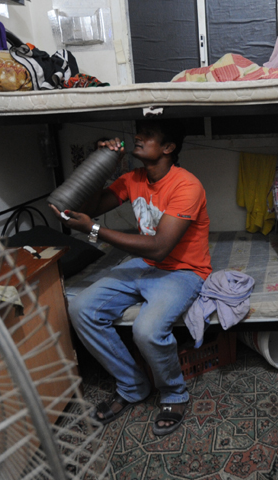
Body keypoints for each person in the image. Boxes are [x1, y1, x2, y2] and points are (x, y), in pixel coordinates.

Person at [51, 119, 210, 437]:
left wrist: (94, 231)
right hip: (144, 264)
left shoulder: (186, 185)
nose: (137, 137)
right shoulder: (132, 178)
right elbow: (91, 208)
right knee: (81, 309)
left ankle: (174, 393)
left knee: (147, 330)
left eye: (148, 135)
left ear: (168, 148)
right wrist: (99, 167)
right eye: (139, 132)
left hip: (183, 271)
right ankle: (133, 385)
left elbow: (161, 247)